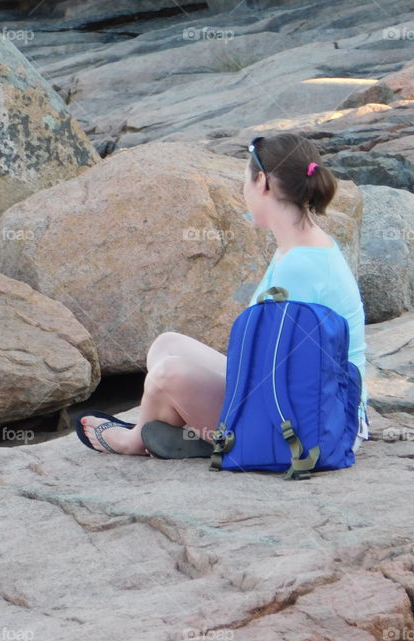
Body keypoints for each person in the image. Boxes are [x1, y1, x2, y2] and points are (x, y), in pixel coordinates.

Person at [77, 132, 368, 456]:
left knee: (167, 375)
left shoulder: (298, 267)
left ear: (263, 183)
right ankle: (187, 432)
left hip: (314, 428)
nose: (243, 190)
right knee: (167, 345)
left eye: (245, 179)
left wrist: (186, 391)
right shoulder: (300, 245)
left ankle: (137, 440)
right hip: (313, 405)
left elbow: (274, 381)